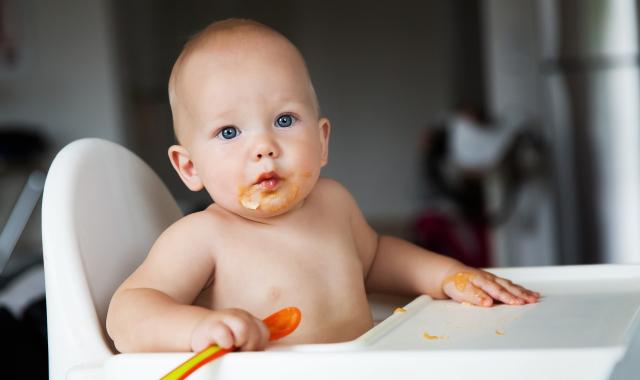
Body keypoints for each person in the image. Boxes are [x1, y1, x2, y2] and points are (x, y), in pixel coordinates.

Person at [106, 19, 539, 354]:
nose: (264, 147)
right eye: (228, 132)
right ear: (189, 166)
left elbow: (375, 260)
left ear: (322, 139)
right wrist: (197, 329)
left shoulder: (334, 203)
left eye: (284, 120)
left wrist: (446, 275)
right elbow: (127, 316)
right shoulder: (203, 237)